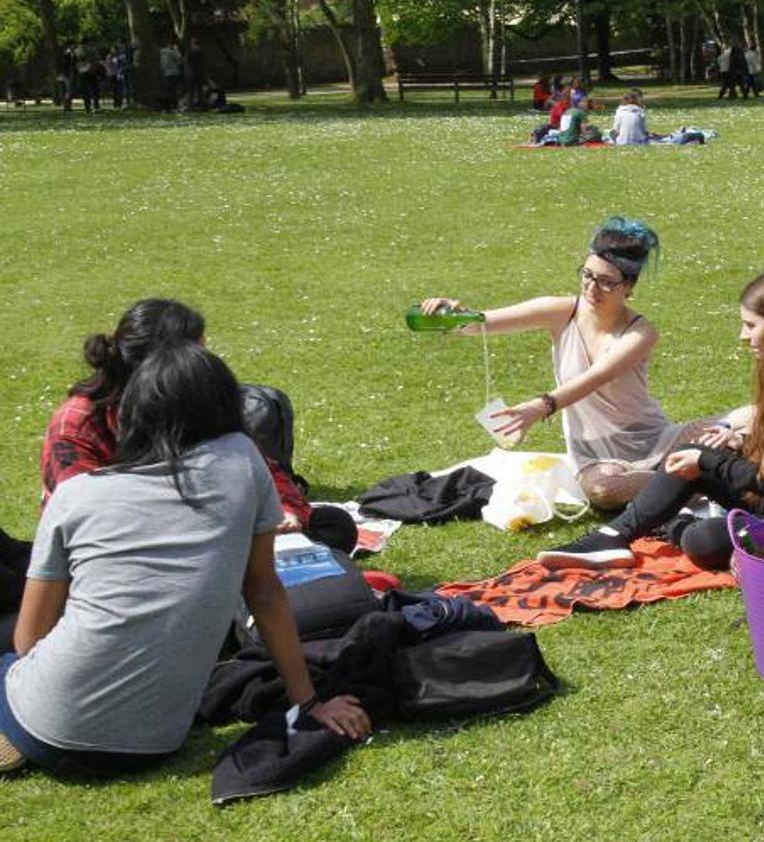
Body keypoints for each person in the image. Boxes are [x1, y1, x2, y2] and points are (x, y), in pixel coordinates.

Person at [0, 343, 370, 776]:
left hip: (49, 725)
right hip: (158, 741)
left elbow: (27, 644)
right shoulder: (241, 460)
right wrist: (310, 703)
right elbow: (265, 593)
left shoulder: (76, 495)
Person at [536, 268, 764, 571]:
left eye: (750, 325)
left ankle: (674, 521)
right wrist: (738, 443)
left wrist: (709, 461)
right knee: (689, 453)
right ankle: (613, 536)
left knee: (705, 540)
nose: (743, 337)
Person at [419, 218, 712, 510]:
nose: (592, 288)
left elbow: (596, 377)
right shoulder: (561, 311)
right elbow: (482, 323)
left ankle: (688, 473)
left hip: (656, 438)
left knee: (747, 419)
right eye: (587, 275)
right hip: (597, 457)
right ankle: (698, 479)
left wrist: (540, 406)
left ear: (630, 287)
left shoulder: (642, 332)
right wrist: (454, 313)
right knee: (602, 490)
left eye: (607, 282)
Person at [41, 298, 356, 552]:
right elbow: (86, 522)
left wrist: (288, 512)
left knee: (333, 525)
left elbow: (262, 467)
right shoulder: (78, 424)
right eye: (197, 355)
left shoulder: (195, 401)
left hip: (209, 525)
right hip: (138, 547)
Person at [160, 39, 183, 111]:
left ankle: (167, 106)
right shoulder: (171, 52)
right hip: (174, 73)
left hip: (166, 73)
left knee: (167, 90)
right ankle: (174, 106)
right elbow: (179, 57)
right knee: (173, 91)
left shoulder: (162, 52)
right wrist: (176, 49)